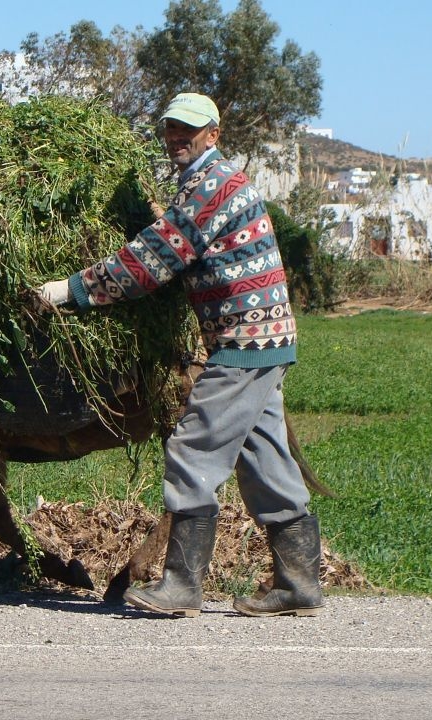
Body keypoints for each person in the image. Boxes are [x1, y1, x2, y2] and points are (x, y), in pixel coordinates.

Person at [35, 92, 323, 619]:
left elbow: (155, 258)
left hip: (244, 341)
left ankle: (182, 585)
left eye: (187, 131)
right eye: (170, 128)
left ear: (213, 134)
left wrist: (71, 290)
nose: (176, 138)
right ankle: (299, 583)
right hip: (264, 340)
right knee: (266, 459)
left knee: (192, 450)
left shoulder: (213, 186)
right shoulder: (207, 183)